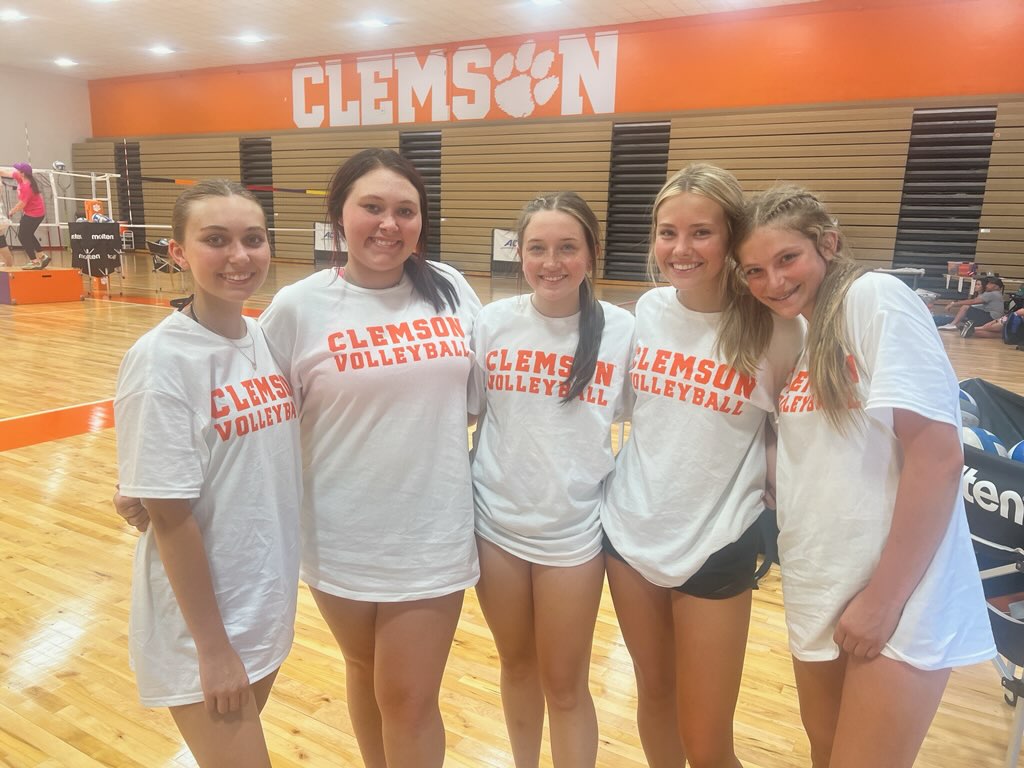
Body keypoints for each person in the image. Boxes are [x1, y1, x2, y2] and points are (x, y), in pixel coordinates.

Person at [116, 149, 481, 768]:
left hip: (431, 532)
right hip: (336, 534)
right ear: (339, 216)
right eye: (371, 207)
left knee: (412, 698)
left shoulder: (450, 290)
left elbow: (475, 405)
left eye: (404, 210)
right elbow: (257, 406)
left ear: (421, 220)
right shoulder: (294, 308)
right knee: (365, 672)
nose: (388, 223)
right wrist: (151, 484)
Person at [728, 184, 995, 768]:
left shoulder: (874, 298)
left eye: (786, 259)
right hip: (822, 584)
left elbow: (938, 457)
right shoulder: (801, 337)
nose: (772, 282)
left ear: (828, 243)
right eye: (754, 270)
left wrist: (884, 599)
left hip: (899, 594)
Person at [599, 164, 802, 768]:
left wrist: (772, 461)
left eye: (701, 233)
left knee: (708, 738)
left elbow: (798, 428)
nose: (680, 249)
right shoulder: (651, 308)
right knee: (654, 700)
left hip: (718, 539)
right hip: (631, 531)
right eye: (668, 232)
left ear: (731, 237)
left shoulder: (776, 328)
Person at [114, 179, 301, 767]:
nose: (239, 256)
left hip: (261, 603)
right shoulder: (161, 360)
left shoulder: (263, 339)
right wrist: (213, 650)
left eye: (253, 239)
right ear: (178, 252)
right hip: (202, 625)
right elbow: (170, 521)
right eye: (215, 240)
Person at [470, 192, 634, 767]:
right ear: (521, 254)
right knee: (516, 666)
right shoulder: (492, 323)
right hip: (495, 526)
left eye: (568, 247)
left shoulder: (622, 330)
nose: (552, 262)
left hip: (573, 534)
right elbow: (465, 414)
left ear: (592, 253)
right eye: (537, 248)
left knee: (565, 685)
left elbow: (659, 421)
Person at [0, 162, 48, 268]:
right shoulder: (20, 177)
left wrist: (12, 211)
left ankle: (34, 261)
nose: (16, 171)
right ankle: (42, 256)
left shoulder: (27, 186)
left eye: (18, 169)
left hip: (35, 214)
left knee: (22, 235)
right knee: (28, 234)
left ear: (23, 173)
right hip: (34, 212)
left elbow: (22, 203)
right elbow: (4, 173)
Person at [938, 275, 1004, 335]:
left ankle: (953, 324)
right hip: (992, 318)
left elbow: (973, 302)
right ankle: (955, 324)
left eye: (990, 284)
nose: (987, 285)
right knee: (963, 314)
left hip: (990, 317)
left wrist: (953, 304)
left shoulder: (992, 294)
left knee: (965, 307)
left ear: (996, 286)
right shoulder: (996, 294)